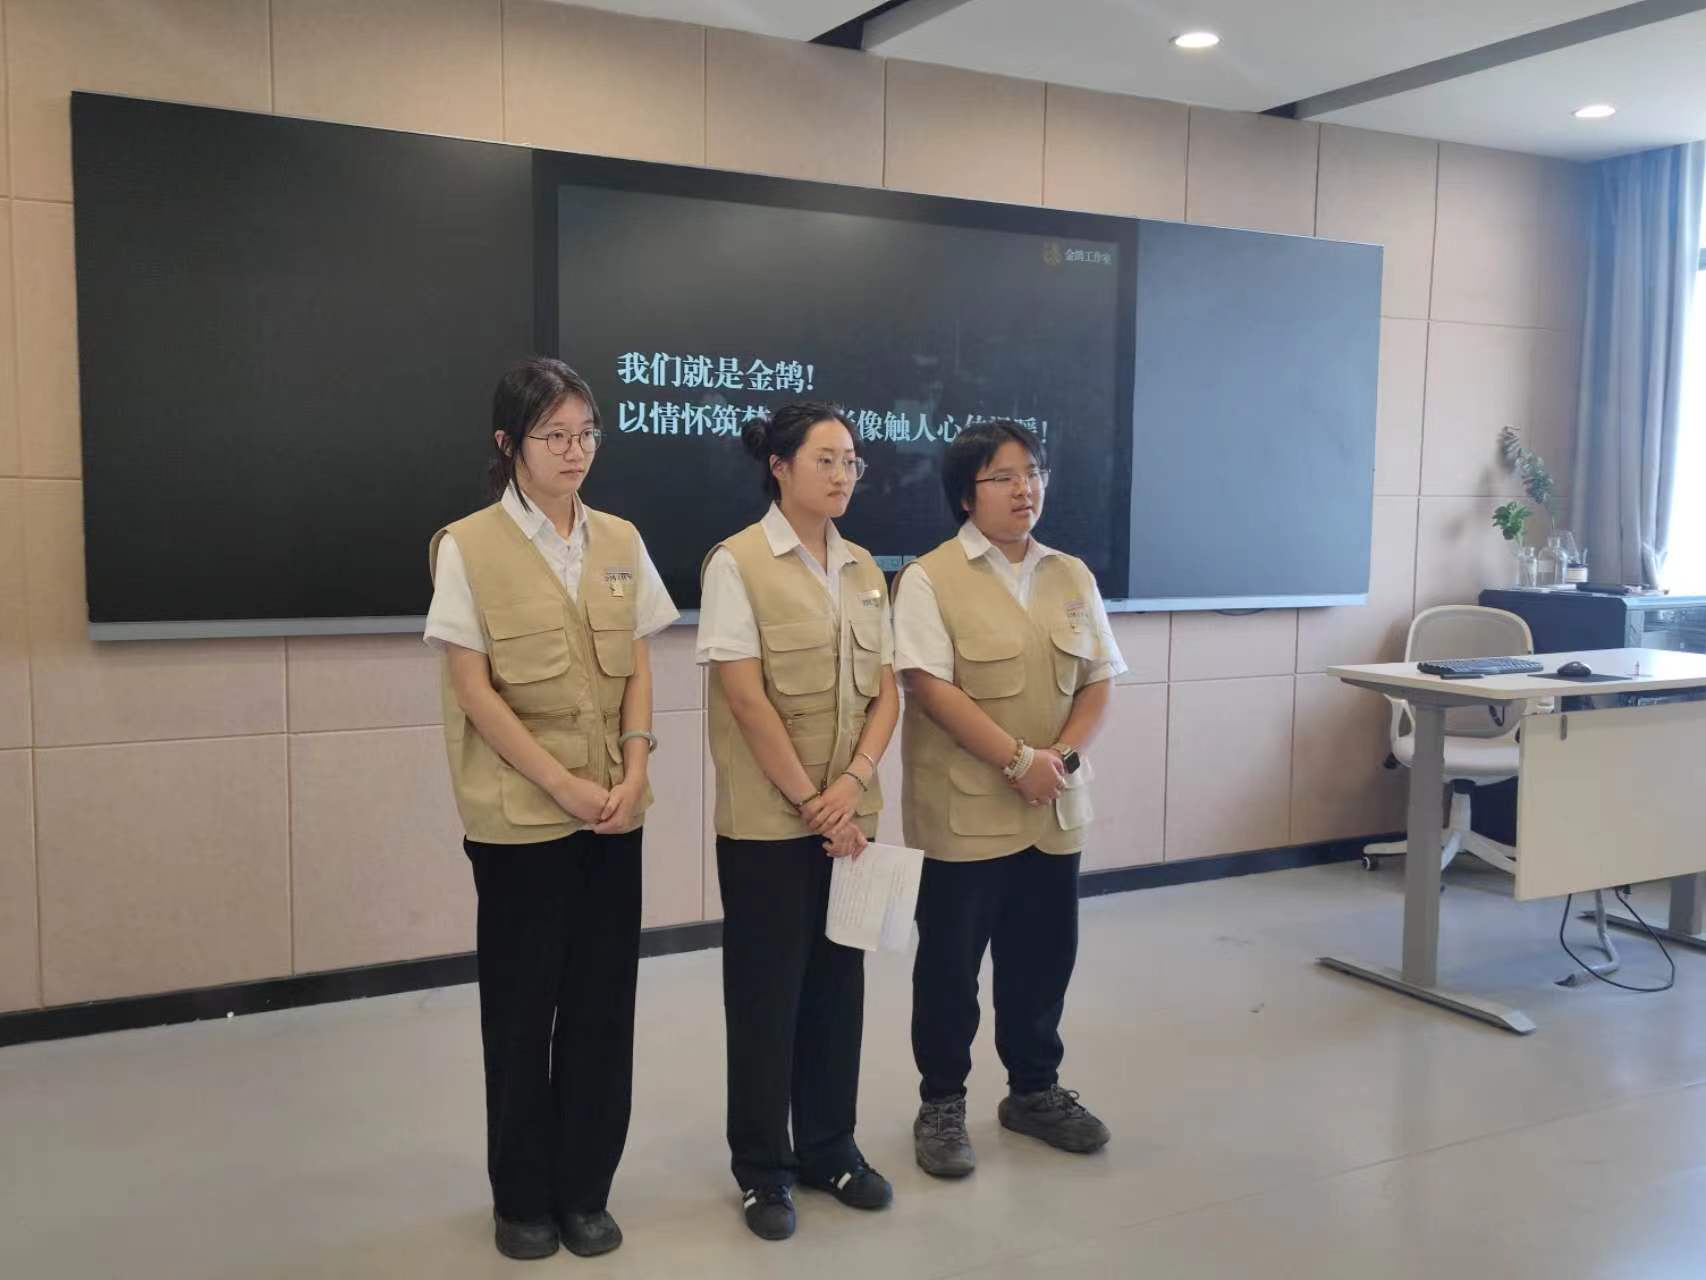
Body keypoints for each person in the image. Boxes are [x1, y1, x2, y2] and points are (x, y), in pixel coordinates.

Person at [423, 357, 677, 1261]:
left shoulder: (621, 539)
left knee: (605, 1006)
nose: (575, 451)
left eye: (586, 434)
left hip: (615, 809)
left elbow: (639, 667)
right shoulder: (467, 545)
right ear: (509, 444)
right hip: (521, 821)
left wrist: (636, 766)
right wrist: (562, 787)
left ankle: (585, 1191)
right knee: (524, 1009)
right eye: (554, 435)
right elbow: (475, 692)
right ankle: (522, 1198)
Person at [893, 419, 1125, 1180]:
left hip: (1051, 805)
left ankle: (1034, 1091)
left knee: (1043, 959)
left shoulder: (1072, 574)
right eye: (1004, 476)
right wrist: (1018, 760)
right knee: (950, 969)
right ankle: (941, 1103)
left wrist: (1058, 760)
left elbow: (1098, 682)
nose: (1025, 489)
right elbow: (930, 689)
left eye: (1033, 473)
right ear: (966, 495)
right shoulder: (929, 577)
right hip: (965, 812)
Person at [696, 401, 900, 1241]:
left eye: (851, 460)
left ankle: (829, 1148)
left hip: (852, 817)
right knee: (766, 997)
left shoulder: (864, 567)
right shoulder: (736, 563)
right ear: (779, 467)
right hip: (769, 825)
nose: (843, 474)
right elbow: (746, 699)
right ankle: (762, 1169)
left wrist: (852, 785)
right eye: (825, 459)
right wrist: (815, 805)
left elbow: (887, 693)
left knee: (838, 988)